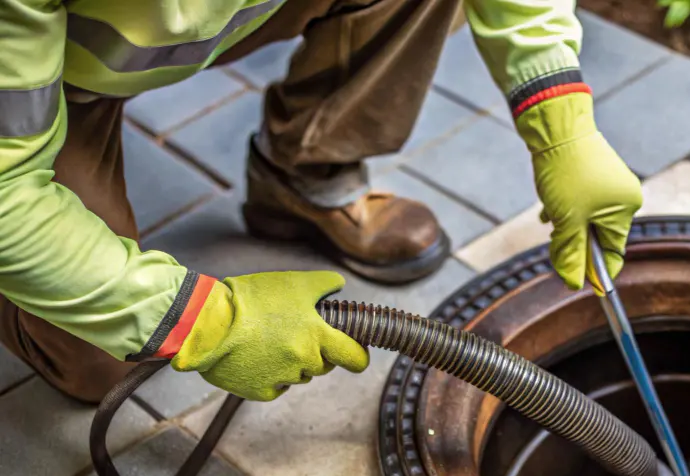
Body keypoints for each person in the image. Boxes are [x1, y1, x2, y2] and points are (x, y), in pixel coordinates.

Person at [0, 0, 643, 404]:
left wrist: (561, 119)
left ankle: (305, 174)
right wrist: (206, 323)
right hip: (46, 81)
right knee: (100, 361)